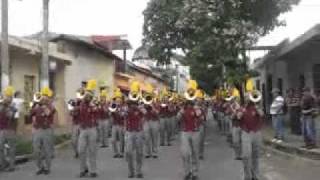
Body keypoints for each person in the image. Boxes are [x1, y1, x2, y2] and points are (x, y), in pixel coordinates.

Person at [238, 92, 264, 180]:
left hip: (256, 132)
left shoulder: (256, 107)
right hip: (246, 133)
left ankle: (255, 175)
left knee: (256, 155)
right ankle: (247, 176)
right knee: (246, 155)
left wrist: (256, 106)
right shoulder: (242, 108)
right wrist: (243, 108)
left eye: (248, 97)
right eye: (245, 97)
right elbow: (238, 117)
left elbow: (261, 114)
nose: (247, 98)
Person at [30, 87, 56, 175]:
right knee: (36, 150)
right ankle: (39, 167)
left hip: (46, 129)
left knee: (47, 150)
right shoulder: (36, 105)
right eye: (43, 96)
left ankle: (47, 167)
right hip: (37, 129)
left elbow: (48, 113)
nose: (44, 98)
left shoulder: (51, 106)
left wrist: (43, 106)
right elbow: (30, 114)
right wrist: (34, 105)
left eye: (46, 97)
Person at [78, 80, 99, 178]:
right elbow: (74, 113)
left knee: (92, 150)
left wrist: (93, 106)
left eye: (90, 94)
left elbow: (98, 112)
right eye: (87, 94)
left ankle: (93, 170)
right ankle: (83, 168)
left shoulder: (94, 103)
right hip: (82, 129)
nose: (87, 96)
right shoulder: (80, 103)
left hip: (92, 128)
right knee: (81, 150)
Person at [178, 100, 203, 180]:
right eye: (187, 103)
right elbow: (177, 118)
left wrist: (197, 110)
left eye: (190, 103)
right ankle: (187, 172)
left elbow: (201, 118)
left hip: (195, 132)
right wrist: (181, 111)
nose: (189, 105)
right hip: (185, 132)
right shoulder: (183, 110)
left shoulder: (197, 109)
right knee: (185, 154)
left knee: (195, 153)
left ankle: (195, 173)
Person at [0, 87, 17, 172]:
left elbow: (10, 115)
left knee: (11, 148)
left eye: (8, 96)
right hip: (1, 129)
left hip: (10, 129)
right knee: (1, 148)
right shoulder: (1, 105)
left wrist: (5, 106)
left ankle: (12, 165)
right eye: (5, 96)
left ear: (11, 97)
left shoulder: (13, 106)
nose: (6, 97)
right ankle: (3, 164)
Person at [110, 89, 125, 158]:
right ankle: (115, 153)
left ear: (121, 100)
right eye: (116, 100)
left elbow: (122, 115)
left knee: (122, 139)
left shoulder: (124, 107)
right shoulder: (113, 106)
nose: (118, 101)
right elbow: (109, 114)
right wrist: (111, 111)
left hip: (121, 125)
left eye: (119, 100)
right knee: (113, 140)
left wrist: (117, 112)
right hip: (114, 125)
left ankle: (121, 152)